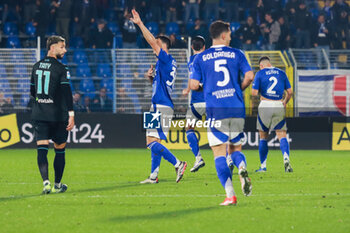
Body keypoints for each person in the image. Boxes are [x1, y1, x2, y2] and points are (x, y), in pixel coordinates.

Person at [190, 20, 254, 205]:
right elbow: (250, 76)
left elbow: (193, 85)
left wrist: (207, 87)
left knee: (219, 152)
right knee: (235, 148)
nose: (231, 37)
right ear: (224, 35)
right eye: (230, 34)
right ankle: (241, 166)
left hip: (215, 110)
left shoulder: (201, 58)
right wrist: (238, 89)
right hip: (235, 107)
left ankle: (230, 195)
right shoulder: (237, 53)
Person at [131, 9, 187, 184]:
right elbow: (161, 85)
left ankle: (178, 164)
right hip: (160, 103)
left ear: (163, 47)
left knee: (150, 142)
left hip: (160, 105)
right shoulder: (167, 62)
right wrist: (151, 79)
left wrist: (140, 24)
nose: (153, 44)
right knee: (154, 141)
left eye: (157, 44)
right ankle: (153, 176)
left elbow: (152, 42)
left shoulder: (165, 58)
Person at [30, 35, 75, 194]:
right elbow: (66, 92)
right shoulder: (62, 68)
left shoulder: (36, 66)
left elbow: (32, 92)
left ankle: (46, 183)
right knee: (59, 150)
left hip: (40, 114)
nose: (65, 50)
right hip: (58, 116)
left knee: (42, 149)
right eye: (62, 47)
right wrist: (71, 114)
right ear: (52, 47)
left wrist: (42, 101)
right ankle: (57, 185)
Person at [251, 56, 293, 173]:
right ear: (270, 63)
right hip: (278, 105)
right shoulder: (281, 73)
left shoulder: (260, 73)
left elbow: (254, 93)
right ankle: (286, 159)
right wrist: (285, 101)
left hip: (265, 105)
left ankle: (263, 166)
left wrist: (261, 95)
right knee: (282, 135)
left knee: (263, 137)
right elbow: (290, 92)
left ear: (261, 65)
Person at [182, 36, 206, 173]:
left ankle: (198, 158)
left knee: (189, 127)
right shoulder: (208, 58)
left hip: (196, 101)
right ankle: (228, 158)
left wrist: (188, 89)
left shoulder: (190, 60)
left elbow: (192, 78)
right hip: (211, 100)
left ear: (192, 47)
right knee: (218, 130)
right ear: (204, 47)